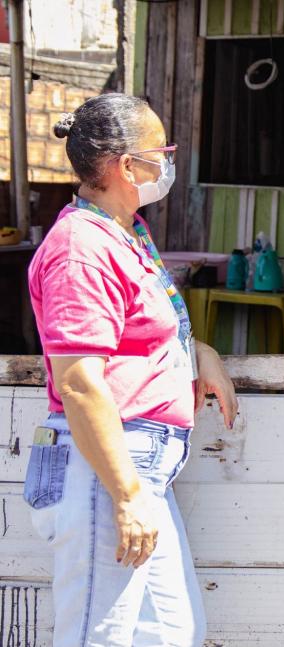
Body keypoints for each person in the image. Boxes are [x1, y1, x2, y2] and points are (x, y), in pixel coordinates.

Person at [24, 93, 238, 646]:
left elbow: (136, 334)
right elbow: (78, 379)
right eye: (160, 152)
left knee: (171, 635)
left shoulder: (122, 233)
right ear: (126, 165)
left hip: (135, 470)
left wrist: (199, 351)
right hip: (106, 468)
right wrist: (125, 495)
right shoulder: (81, 247)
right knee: (102, 636)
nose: (167, 164)